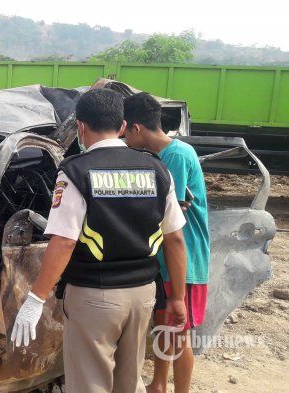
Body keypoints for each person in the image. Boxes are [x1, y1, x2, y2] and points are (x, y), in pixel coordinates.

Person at [10, 88, 189, 393]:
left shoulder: (75, 172)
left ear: (80, 126)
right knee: (129, 383)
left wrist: (36, 299)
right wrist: (176, 298)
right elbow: (175, 241)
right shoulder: (157, 168)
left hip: (95, 296)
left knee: (90, 384)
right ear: (122, 126)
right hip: (143, 294)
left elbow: (64, 242)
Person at [123, 92, 210, 393]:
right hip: (166, 259)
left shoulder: (176, 155)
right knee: (165, 328)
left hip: (183, 259)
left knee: (179, 332)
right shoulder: (164, 154)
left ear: (135, 128)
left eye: (123, 131)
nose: (122, 139)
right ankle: (159, 384)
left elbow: (161, 207)